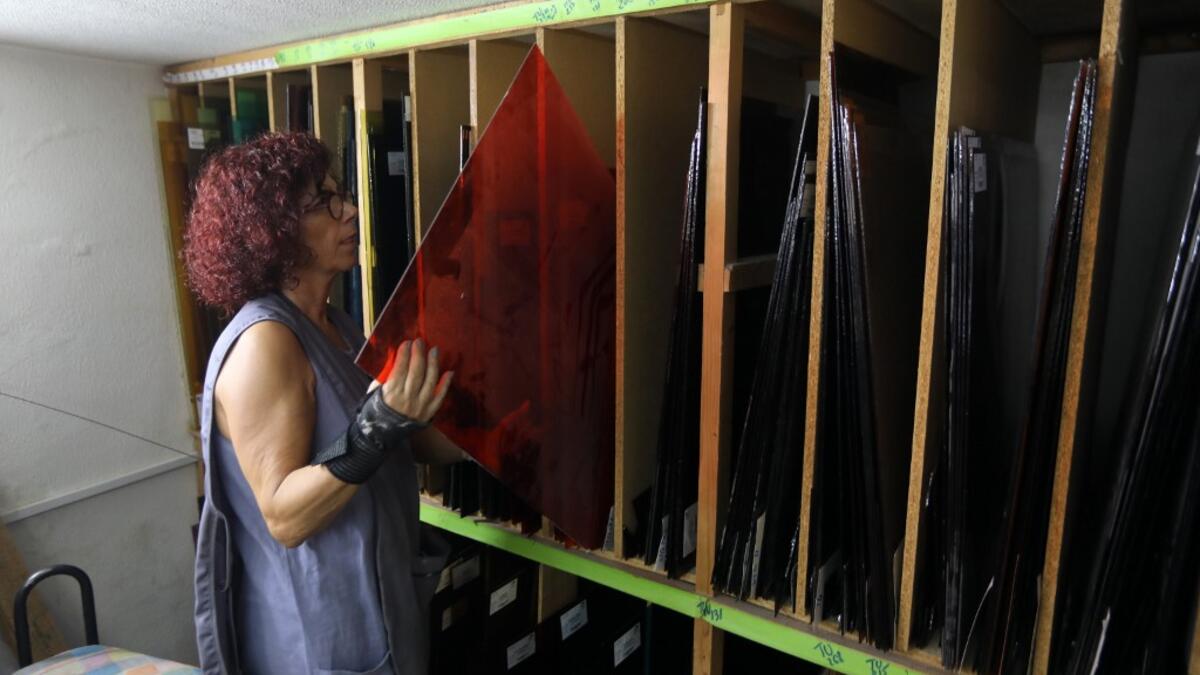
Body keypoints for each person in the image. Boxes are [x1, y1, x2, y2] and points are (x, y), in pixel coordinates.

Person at [184, 132, 464, 675]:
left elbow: (409, 442)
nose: (351, 210)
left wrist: (499, 432)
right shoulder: (265, 343)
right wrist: (377, 426)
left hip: (378, 612)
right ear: (272, 233)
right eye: (325, 202)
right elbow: (284, 515)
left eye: (342, 195)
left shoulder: (337, 327)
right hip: (317, 639)